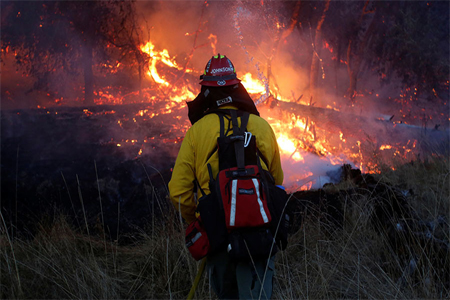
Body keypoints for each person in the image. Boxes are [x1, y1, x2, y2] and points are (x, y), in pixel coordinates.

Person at [168, 54, 284, 299]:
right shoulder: (263, 127)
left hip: (219, 235)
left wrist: (201, 217)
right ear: (237, 87)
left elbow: (177, 192)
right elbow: (277, 181)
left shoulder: (197, 132)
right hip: (262, 235)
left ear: (206, 92)